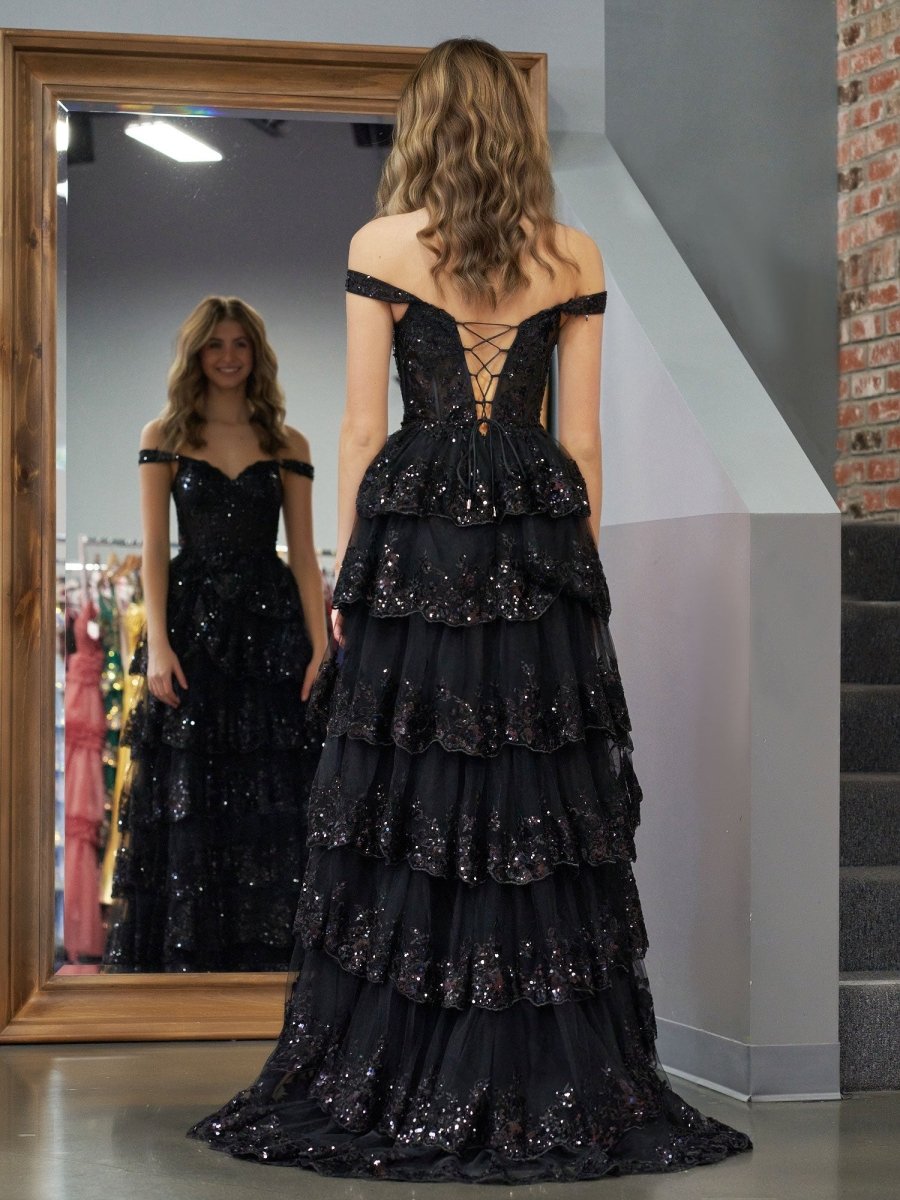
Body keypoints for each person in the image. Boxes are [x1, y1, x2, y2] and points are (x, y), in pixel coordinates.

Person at [188, 40, 752, 1180]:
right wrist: (575, 581)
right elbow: (580, 442)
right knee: (529, 800)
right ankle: (539, 1079)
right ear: (513, 126)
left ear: (426, 125)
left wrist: (348, 579)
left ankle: (409, 1069)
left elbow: (362, 428)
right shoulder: (574, 254)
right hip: (537, 539)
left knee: (415, 798)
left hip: (418, 543)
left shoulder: (381, 245)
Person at [103, 296, 326, 972]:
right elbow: (152, 547)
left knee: (270, 788)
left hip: (271, 631)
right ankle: (191, 962)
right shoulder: (165, 435)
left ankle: (268, 960)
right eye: (215, 345)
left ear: (256, 354)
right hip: (192, 628)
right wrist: (158, 644)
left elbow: (305, 553)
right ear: (196, 354)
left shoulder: (288, 444)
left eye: (240, 344)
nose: (228, 356)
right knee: (192, 786)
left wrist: (321, 646)